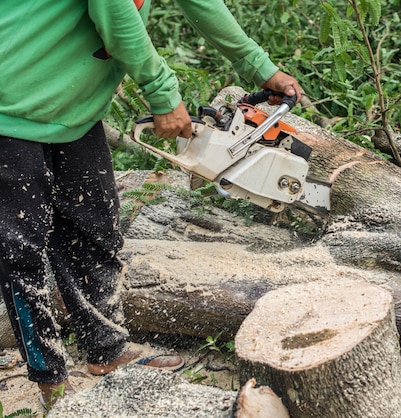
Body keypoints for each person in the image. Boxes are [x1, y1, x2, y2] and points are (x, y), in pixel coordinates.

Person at [0, 0, 301, 408]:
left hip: (72, 114)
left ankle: (106, 348)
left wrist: (260, 67)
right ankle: (50, 379)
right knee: (21, 250)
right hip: (9, 108)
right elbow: (115, 13)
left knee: (95, 230)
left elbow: (201, 4)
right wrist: (163, 93)